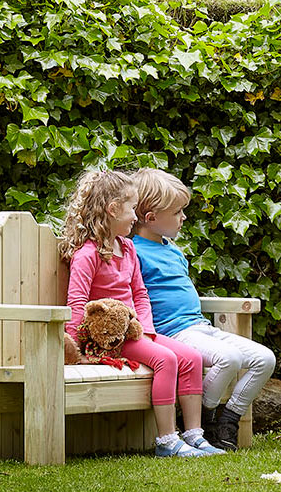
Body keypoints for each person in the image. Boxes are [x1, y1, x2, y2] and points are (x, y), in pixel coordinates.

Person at [60, 170, 224, 458]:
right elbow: (77, 301)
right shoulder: (88, 254)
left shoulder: (127, 248)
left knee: (192, 358)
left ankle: (194, 435)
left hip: (136, 331)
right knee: (166, 359)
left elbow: (140, 294)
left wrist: (146, 328)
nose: (136, 216)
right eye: (132, 208)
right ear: (112, 210)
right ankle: (166, 440)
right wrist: (75, 347)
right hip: (107, 338)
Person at [130, 168, 275, 451]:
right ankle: (202, 423)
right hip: (173, 333)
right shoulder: (134, 252)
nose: (184, 217)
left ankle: (227, 421)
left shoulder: (173, 250)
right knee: (229, 358)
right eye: (177, 212)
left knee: (264, 358)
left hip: (201, 328)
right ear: (151, 218)